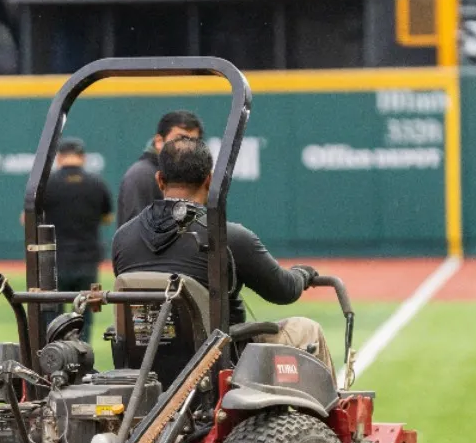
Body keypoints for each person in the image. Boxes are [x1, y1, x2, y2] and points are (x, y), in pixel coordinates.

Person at [111, 137, 335, 375]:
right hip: (218, 365)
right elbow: (284, 290)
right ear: (209, 180)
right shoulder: (228, 237)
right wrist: (302, 274)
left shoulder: (122, 239)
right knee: (307, 330)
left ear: (159, 180)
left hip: (144, 368)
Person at [33, 137, 113, 342]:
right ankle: (82, 354)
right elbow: (107, 218)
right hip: (87, 257)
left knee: (53, 314)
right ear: (83, 157)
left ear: (59, 158)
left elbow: (28, 218)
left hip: (54, 259)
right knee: (84, 312)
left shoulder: (47, 184)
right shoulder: (97, 183)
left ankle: (54, 355)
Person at [115, 110, 204, 227]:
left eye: (194, 142)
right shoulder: (141, 176)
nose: (187, 148)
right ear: (159, 142)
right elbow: (135, 234)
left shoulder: (188, 177)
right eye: (180, 139)